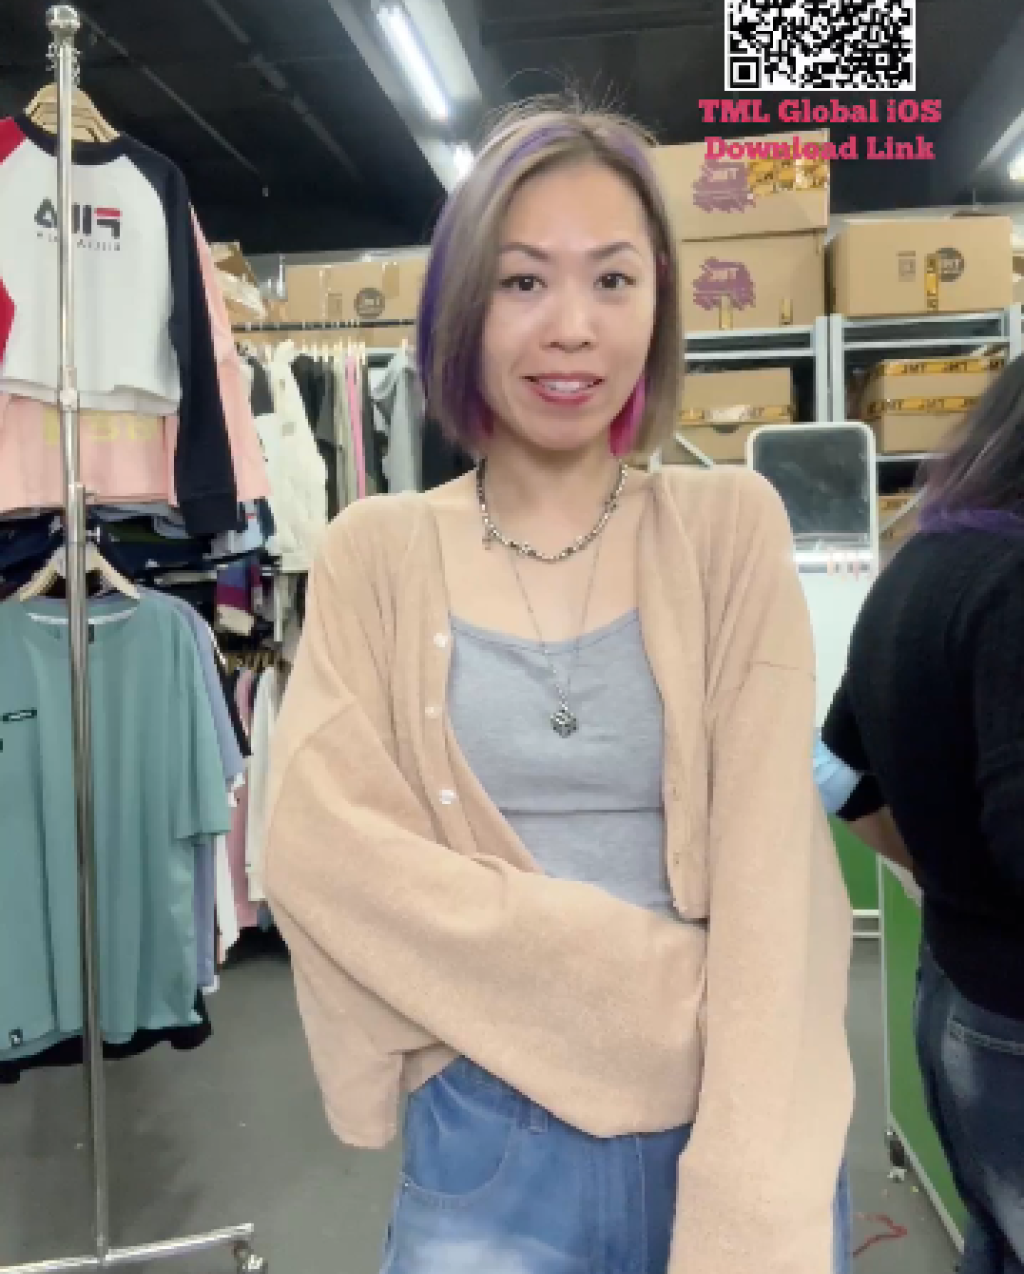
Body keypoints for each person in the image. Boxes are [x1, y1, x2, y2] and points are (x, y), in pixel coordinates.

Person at [264, 100, 853, 1274]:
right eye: (524, 282)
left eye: (613, 280)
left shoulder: (728, 529)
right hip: (489, 1123)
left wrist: (744, 1171)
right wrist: (656, 986)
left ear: (658, 303)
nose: (572, 329)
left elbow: (774, 875)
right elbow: (318, 853)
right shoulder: (376, 552)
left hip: (737, 1099)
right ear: (462, 306)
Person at [818, 353, 1024, 1274]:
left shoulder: (924, 561)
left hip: (955, 989)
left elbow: (836, 768)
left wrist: (937, 870)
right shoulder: (1012, 582)